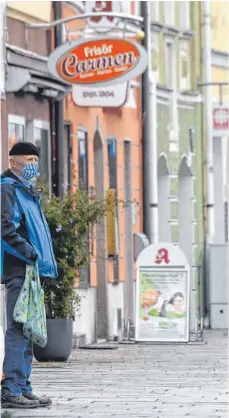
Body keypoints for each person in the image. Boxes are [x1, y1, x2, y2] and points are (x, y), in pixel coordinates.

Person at [1, 142, 58, 409]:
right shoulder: (8, 189)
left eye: (36, 158)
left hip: (31, 271)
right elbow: (6, 231)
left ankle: (23, 387)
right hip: (19, 268)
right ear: (13, 162)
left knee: (28, 329)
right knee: (18, 328)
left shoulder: (26, 190)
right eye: (28, 159)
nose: (33, 164)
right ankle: (11, 388)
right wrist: (31, 254)